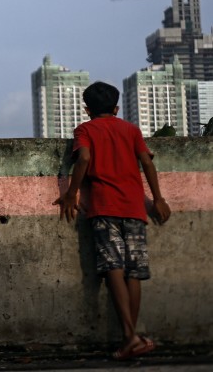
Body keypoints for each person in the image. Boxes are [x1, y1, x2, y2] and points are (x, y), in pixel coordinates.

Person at [53, 81, 172, 361]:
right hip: (134, 206)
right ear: (116, 108)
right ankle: (131, 336)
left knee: (113, 268)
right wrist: (158, 198)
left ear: (87, 109)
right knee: (133, 271)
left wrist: (71, 193)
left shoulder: (85, 130)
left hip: (104, 207)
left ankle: (130, 337)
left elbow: (83, 158)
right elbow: (147, 162)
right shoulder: (131, 129)